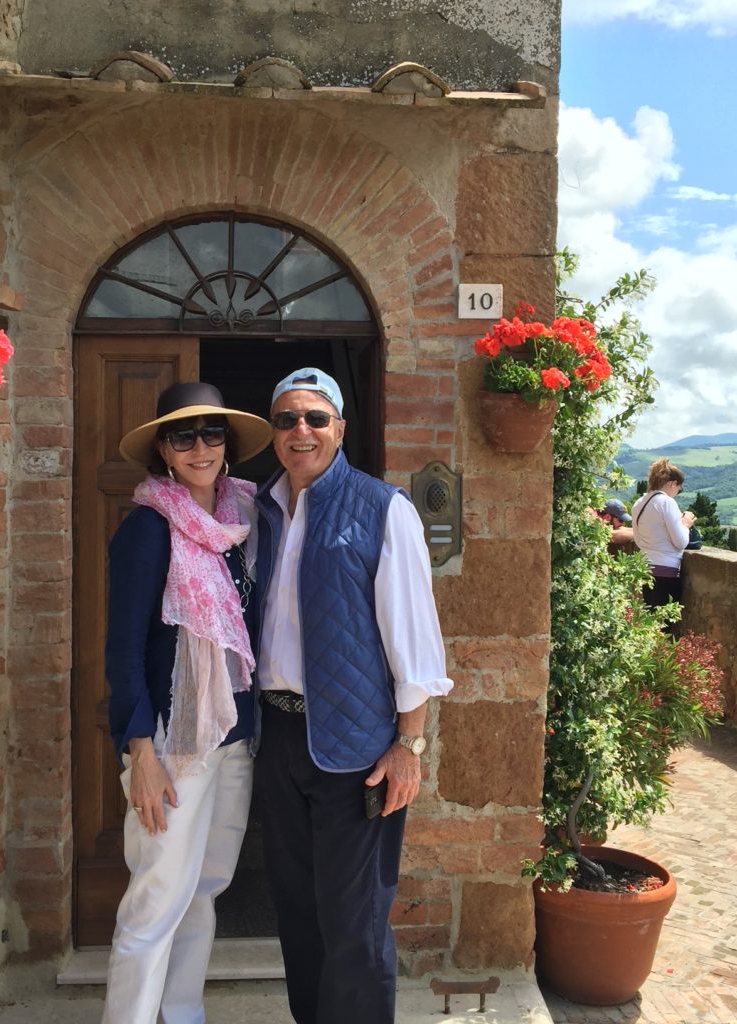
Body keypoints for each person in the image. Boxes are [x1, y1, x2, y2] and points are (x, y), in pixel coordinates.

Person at [252, 367, 453, 1024]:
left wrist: (409, 743)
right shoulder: (260, 509)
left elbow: (413, 639)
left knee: (354, 925)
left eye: (315, 417)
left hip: (357, 749)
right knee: (298, 913)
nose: (300, 431)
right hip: (278, 738)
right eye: (287, 419)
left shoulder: (382, 507)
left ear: (340, 427)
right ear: (274, 433)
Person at [102, 382, 272, 1024]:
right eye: (183, 436)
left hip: (234, 732)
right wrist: (138, 749)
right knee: (157, 897)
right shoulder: (148, 530)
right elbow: (121, 650)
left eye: (212, 434)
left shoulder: (242, 523)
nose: (200, 447)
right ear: (163, 452)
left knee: (204, 890)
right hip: (174, 741)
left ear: (227, 445)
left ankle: (181, 1014)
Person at [632, 457, 696, 609]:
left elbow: (638, 540)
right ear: (673, 483)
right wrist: (686, 524)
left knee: (650, 621)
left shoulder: (639, 503)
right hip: (666, 571)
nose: (677, 492)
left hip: (645, 567)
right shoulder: (666, 502)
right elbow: (681, 542)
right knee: (664, 625)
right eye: (679, 488)